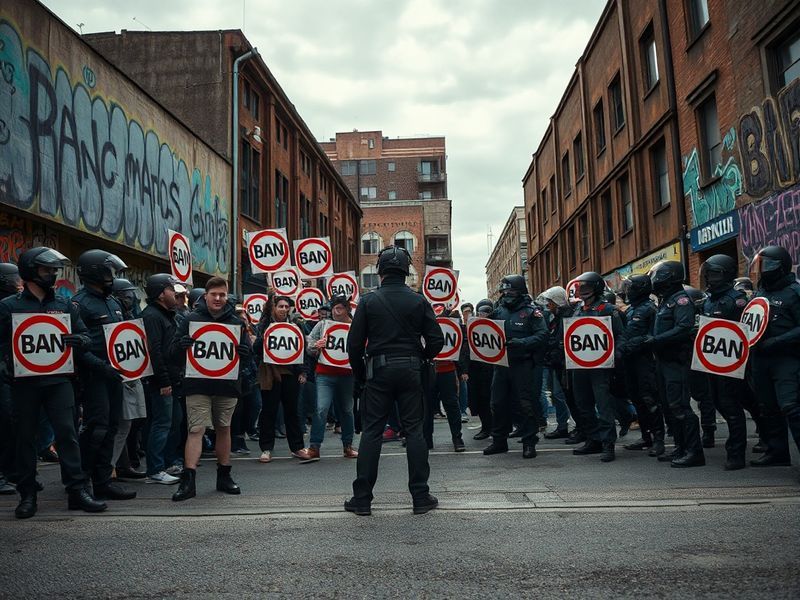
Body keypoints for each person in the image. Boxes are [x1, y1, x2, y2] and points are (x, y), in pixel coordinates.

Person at [0, 247, 107, 518]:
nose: (52, 274)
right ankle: (27, 495)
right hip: (23, 384)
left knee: (67, 435)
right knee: (25, 439)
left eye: (53, 270)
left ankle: (77, 491)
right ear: (30, 270)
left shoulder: (64, 305)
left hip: (59, 381)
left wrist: (80, 340)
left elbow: (85, 336)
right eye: (46, 269)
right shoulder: (8, 307)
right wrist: (5, 365)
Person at [345, 245, 444, 516]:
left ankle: (362, 499)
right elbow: (436, 340)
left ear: (380, 270)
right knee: (414, 432)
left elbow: (354, 345)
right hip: (411, 370)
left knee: (372, 432)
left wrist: (360, 375)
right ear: (406, 270)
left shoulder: (368, 301)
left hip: (378, 372)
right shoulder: (418, 300)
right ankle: (420, 497)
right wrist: (422, 358)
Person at [169, 276, 249, 501]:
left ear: (227, 296)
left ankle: (224, 476)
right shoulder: (190, 319)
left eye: (222, 294)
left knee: (224, 428)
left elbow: (248, 355)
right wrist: (181, 345)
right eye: (214, 294)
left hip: (227, 384)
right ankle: (188, 481)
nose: (218, 298)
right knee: (196, 429)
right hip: (197, 384)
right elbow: (172, 354)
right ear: (206, 296)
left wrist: (244, 352)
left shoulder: (236, 322)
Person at [72, 249, 138, 501]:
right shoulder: (79, 304)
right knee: (96, 429)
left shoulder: (113, 302)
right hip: (94, 375)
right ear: (96, 272)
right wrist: (101, 367)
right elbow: (78, 348)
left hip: (115, 375)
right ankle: (82, 482)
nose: (113, 276)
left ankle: (103, 482)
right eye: (109, 271)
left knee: (111, 427)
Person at [645, 261, 705, 468]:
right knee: (669, 407)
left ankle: (694, 452)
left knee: (679, 406)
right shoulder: (666, 301)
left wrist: (656, 340)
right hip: (663, 361)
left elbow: (683, 328)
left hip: (676, 361)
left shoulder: (681, 300)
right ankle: (680, 447)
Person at [483, 274, 548, 460]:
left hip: (523, 364)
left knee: (525, 404)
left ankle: (529, 442)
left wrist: (523, 342)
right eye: (504, 291)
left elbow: (543, 335)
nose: (506, 294)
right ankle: (499, 441)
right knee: (497, 403)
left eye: (510, 290)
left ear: (519, 291)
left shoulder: (532, 312)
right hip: (501, 365)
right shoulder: (499, 311)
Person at [748, 245, 800, 468]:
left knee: (791, 406)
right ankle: (777, 452)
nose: (762, 270)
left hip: (786, 358)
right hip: (761, 358)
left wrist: (778, 341)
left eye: (766, 265)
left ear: (780, 266)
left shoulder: (794, 292)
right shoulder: (760, 293)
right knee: (767, 407)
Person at [568, 272, 624, 463]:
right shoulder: (577, 309)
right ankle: (593, 439)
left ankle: (608, 443)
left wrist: (616, 354)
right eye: (580, 287)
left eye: (586, 286)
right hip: (579, 364)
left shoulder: (607, 309)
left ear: (596, 288)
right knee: (583, 404)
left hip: (600, 366)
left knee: (603, 405)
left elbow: (620, 335)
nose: (582, 290)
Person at [254, 295, 315, 464]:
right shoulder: (265, 325)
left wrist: (303, 372)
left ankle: (297, 447)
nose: (284, 309)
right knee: (269, 410)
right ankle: (266, 448)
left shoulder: (296, 325)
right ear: (274, 308)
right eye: (280, 306)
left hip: (291, 373)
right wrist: (264, 336)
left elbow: (302, 349)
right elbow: (256, 349)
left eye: (286, 307)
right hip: (270, 373)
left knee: (292, 411)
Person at [304, 295, 359, 460]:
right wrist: (315, 346)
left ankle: (348, 445)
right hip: (325, 373)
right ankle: (314, 447)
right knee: (321, 408)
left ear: (347, 309)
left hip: (347, 375)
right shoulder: (323, 325)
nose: (336, 312)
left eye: (340, 308)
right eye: (334, 308)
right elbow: (309, 343)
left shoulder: (355, 327)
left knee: (347, 410)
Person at [141, 273, 183, 484]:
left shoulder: (167, 315)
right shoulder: (152, 316)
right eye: (171, 289)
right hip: (162, 382)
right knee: (162, 423)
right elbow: (155, 352)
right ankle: (155, 469)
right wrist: (164, 381)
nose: (175, 293)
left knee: (175, 421)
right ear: (160, 294)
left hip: (172, 379)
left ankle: (168, 462)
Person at [617, 275, 665, 457]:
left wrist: (635, 343)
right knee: (636, 398)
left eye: (630, 287)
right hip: (630, 360)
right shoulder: (631, 309)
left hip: (645, 361)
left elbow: (654, 335)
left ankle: (658, 439)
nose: (627, 291)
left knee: (649, 399)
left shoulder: (650, 309)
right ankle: (646, 436)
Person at [109, 278, 148, 481]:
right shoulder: (111, 315)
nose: (131, 298)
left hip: (131, 374)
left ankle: (120, 464)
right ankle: (109, 467)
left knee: (128, 423)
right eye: (126, 295)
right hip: (115, 375)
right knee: (116, 425)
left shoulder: (131, 315)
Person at [536, 286, 576, 441]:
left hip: (565, 363)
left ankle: (573, 426)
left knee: (562, 395)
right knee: (556, 394)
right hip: (555, 362)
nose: (548, 305)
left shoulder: (567, 316)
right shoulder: (554, 317)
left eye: (551, 302)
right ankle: (563, 426)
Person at [0, 262, 21, 495]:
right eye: (15, 279)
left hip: (12, 371)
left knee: (14, 421)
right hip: (4, 370)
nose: (19, 283)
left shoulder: (14, 305)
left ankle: (14, 471)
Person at [466, 299, 494, 440]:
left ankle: (497, 427)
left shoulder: (497, 327)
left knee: (494, 400)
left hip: (493, 369)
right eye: (480, 313)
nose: (482, 316)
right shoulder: (472, 328)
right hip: (476, 369)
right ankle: (486, 427)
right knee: (480, 400)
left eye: (485, 313)